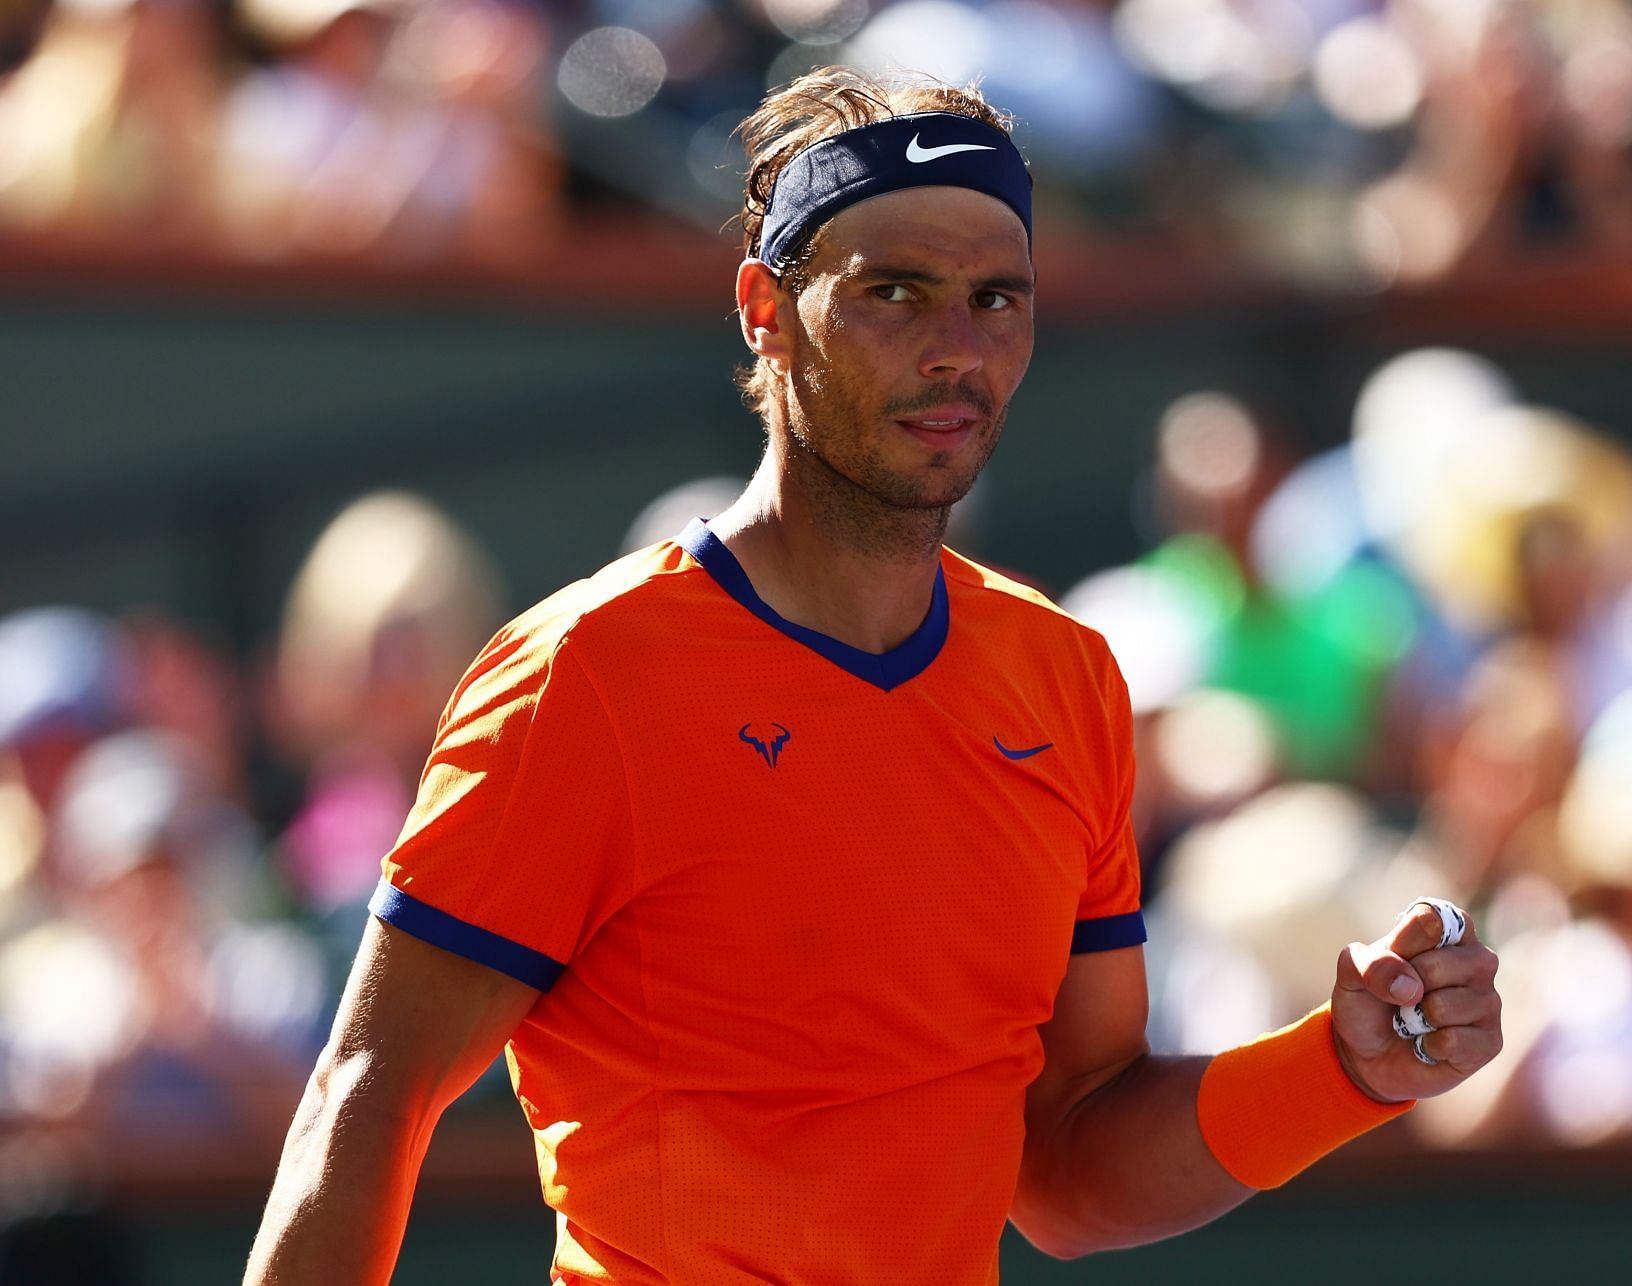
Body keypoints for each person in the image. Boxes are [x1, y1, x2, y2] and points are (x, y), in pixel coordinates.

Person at [244, 67, 1503, 1285]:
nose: (955, 347)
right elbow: (365, 1097)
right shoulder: (581, 673)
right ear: (763, 308)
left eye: (996, 299)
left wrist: (1342, 1070)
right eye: (894, 292)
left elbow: (1064, 1167)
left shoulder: (1063, 679)